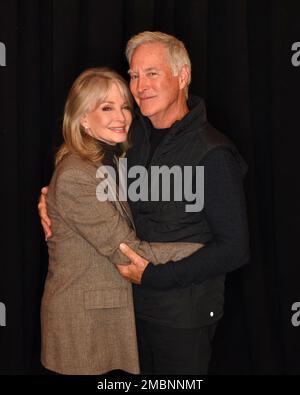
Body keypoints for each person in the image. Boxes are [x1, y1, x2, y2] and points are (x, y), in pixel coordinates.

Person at [39, 31, 250, 375]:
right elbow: (81, 173)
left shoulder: (212, 153)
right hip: (129, 316)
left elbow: (235, 248)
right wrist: (49, 198)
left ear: (183, 76)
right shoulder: (129, 138)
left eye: (152, 73)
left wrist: (157, 276)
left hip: (184, 316)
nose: (139, 86)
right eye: (135, 75)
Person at [39, 67, 203, 375]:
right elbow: (128, 250)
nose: (122, 116)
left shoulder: (112, 160)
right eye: (107, 107)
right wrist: (203, 250)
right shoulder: (77, 174)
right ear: (82, 119)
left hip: (104, 316)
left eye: (125, 106)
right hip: (82, 324)